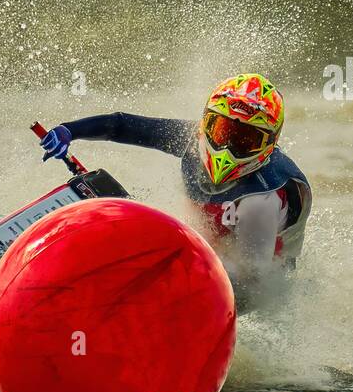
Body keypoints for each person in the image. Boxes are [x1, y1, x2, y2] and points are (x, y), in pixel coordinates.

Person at [40, 73, 312, 310]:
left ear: (270, 144)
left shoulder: (263, 197)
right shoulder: (189, 138)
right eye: (223, 131)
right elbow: (121, 126)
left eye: (246, 140)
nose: (229, 148)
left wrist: (160, 290)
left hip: (258, 279)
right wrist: (70, 130)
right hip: (212, 249)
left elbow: (252, 285)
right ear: (205, 123)